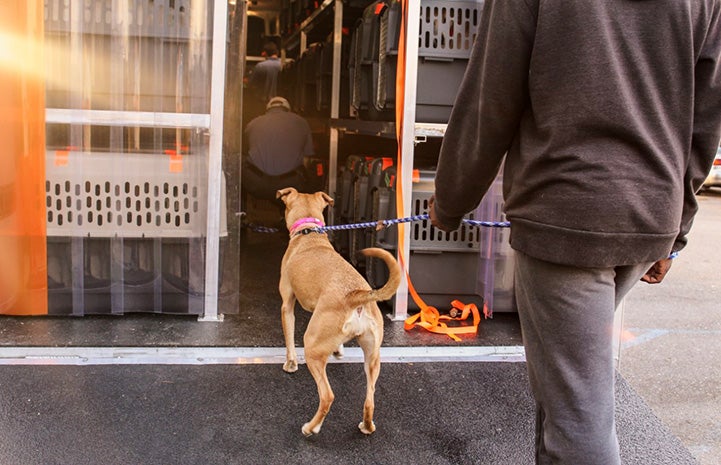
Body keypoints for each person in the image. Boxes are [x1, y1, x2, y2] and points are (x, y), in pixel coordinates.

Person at [429, 1, 721, 464]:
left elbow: (491, 96)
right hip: (649, 211)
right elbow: (706, 119)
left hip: (565, 212)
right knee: (565, 391)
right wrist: (677, 226)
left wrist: (448, 203)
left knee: (577, 420)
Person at [242, 96, 315, 202]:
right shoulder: (302, 122)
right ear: (288, 109)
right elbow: (307, 159)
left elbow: (245, 151)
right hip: (289, 186)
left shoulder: (252, 124)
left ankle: (241, 213)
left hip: (256, 184)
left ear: (267, 109)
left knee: (240, 166)